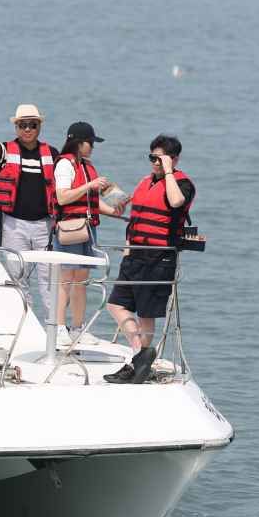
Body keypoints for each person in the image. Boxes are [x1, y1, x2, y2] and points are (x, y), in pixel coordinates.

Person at [104, 134, 195, 385]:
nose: (154, 163)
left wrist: (168, 172)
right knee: (115, 305)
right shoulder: (145, 182)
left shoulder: (182, 183)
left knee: (146, 314)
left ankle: (138, 364)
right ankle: (140, 355)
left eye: (160, 158)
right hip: (134, 254)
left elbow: (176, 202)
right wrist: (126, 249)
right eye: (152, 158)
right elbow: (135, 216)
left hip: (159, 258)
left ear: (173, 159)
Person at [0, 103, 58, 315]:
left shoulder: (52, 153)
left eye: (32, 125)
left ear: (39, 126)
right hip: (14, 225)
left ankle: (56, 327)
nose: (27, 129)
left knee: (49, 279)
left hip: (44, 226)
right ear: (16, 128)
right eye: (22, 125)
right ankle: (25, 323)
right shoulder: (6, 150)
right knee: (17, 278)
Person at [53, 121, 122, 344]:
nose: (92, 147)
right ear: (78, 143)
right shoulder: (65, 165)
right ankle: (60, 326)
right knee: (66, 278)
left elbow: (90, 202)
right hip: (70, 227)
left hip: (88, 228)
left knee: (82, 279)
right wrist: (89, 186)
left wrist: (115, 210)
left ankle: (78, 327)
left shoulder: (86, 165)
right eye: (90, 143)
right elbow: (63, 197)